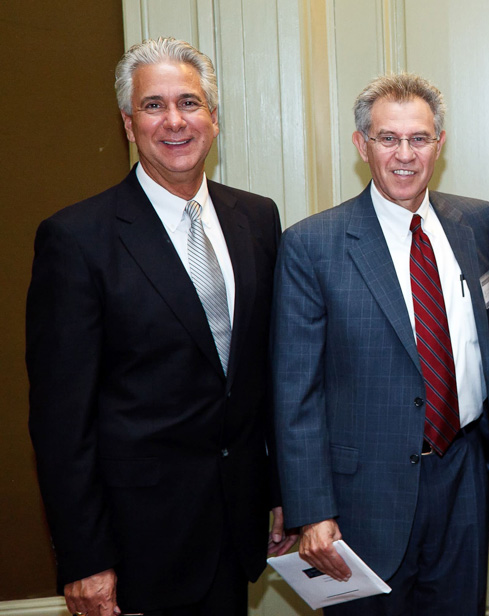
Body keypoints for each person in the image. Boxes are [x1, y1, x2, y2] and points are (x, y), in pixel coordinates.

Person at [25, 37, 294, 616]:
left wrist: (278, 493)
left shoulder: (257, 218)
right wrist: (85, 558)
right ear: (127, 123)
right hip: (136, 544)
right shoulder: (76, 240)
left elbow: (263, 376)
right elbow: (59, 422)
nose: (174, 121)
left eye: (190, 103)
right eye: (153, 106)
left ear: (214, 120)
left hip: (236, 527)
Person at [271, 73, 489, 615]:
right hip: (363, 496)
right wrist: (312, 510)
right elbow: (295, 392)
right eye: (388, 138)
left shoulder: (477, 222)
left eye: (419, 138)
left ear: (439, 145)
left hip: (464, 475)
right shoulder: (312, 246)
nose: (405, 154)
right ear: (362, 145)